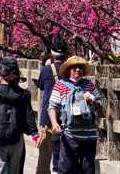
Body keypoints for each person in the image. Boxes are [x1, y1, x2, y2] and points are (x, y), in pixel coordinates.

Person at [0, 56, 37, 174]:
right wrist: (34, 133)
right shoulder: (24, 94)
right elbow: (28, 114)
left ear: (0, 72)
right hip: (16, 137)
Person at [48, 55, 104, 174]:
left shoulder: (89, 85)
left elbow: (99, 104)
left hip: (89, 136)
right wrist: (54, 123)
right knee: (66, 169)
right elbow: (52, 106)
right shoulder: (60, 85)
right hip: (69, 135)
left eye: (80, 67)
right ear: (68, 70)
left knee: (87, 170)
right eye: (74, 67)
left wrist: (92, 102)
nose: (77, 70)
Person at [37, 40, 68, 174]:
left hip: (48, 117)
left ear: (52, 55)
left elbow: (41, 86)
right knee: (64, 151)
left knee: (45, 153)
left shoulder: (46, 70)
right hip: (67, 117)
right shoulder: (70, 71)